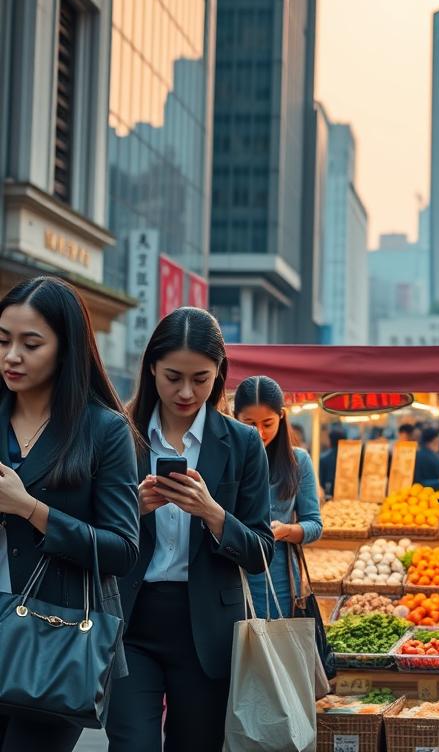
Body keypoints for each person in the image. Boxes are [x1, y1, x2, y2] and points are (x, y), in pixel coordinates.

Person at [107, 308, 274, 752]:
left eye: (200, 379)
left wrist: (214, 514)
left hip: (208, 627)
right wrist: (132, 509)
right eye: (173, 377)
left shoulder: (242, 443)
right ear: (151, 369)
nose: (186, 392)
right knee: (131, 744)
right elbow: (91, 532)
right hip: (129, 619)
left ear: (219, 373)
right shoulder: (118, 433)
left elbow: (261, 552)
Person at [0, 277, 139, 751]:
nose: (11, 355)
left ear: (66, 348)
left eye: (30, 343)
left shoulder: (104, 430)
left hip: (52, 641)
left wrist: (31, 509)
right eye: (3, 340)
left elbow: (122, 550)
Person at [234, 376, 323, 617]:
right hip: (231, 577)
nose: (259, 432)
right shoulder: (227, 459)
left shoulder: (298, 461)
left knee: (277, 647)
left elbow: (314, 525)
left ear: (282, 416)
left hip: (281, 580)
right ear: (235, 417)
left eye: (268, 423)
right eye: (249, 423)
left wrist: (285, 530)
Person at [319, 426, 346, 498]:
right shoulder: (348, 458)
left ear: (330, 440)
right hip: (344, 492)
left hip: (328, 493)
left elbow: (321, 480)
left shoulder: (324, 458)